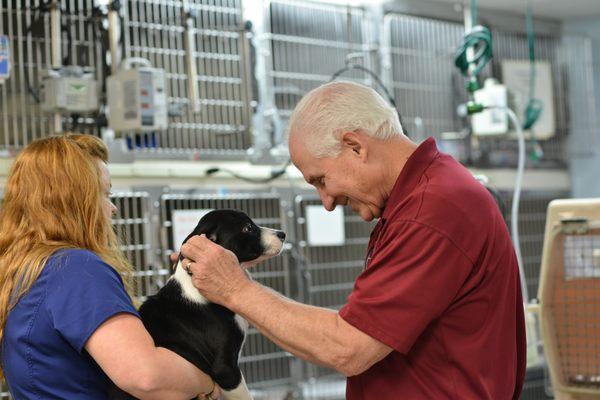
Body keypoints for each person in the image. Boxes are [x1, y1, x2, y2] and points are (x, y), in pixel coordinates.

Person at [178, 81, 527, 399]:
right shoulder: (420, 199)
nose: (326, 202)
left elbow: (348, 347)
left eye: (321, 180)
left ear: (355, 146)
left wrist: (236, 289)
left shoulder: (431, 211)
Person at [0, 134, 220, 399]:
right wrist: (210, 384)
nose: (113, 208)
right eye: (104, 194)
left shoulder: (24, 269)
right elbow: (147, 377)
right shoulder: (76, 269)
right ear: (74, 201)